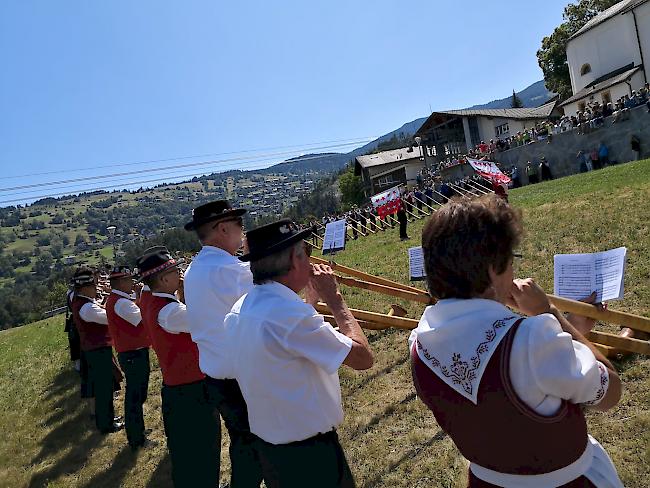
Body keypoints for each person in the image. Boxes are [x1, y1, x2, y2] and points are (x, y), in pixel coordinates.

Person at [409, 195, 623, 487]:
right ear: (492, 269)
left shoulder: (418, 342)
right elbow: (610, 391)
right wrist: (548, 313)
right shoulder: (532, 338)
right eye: (511, 260)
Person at [224, 219, 374, 488]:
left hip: (273, 451)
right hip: (310, 456)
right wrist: (336, 300)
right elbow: (363, 358)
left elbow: (284, 345)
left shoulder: (240, 309)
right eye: (305, 252)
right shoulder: (288, 316)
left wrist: (309, 305)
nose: (310, 260)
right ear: (295, 260)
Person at [183, 200, 264, 487]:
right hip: (239, 376)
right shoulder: (231, 269)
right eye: (239, 225)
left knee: (241, 442)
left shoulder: (195, 268)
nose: (243, 231)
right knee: (255, 447)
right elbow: (265, 307)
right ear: (223, 228)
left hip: (215, 373)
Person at [137, 248, 220, 487]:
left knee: (189, 453)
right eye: (176, 271)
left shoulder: (155, 301)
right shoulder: (170, 311)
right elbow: (205, 320)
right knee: (203, 450)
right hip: (190, 390)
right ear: (163, 279)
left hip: (180, 388)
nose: (180, 274)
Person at [70, 268, 124, 434]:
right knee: (103, 389)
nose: (97, 288)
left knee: (104, 387)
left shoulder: (83, 302)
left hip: (95, 350)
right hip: (97, 351)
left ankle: (107, 418)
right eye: (94, 285)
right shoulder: (86, 308)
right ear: (85, 287)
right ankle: (106, 424)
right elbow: (109, 317)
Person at [105, 265, 153, 450]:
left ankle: (137, 430)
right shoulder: (121, 303)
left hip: (133, 352)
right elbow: (142, 318)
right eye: (128, 280)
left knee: (137, 394)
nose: (132, 283)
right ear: (120, 282)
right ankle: (136, 436)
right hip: (133, 353)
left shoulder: (119, 300)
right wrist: (143, 299)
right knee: (135, 395)